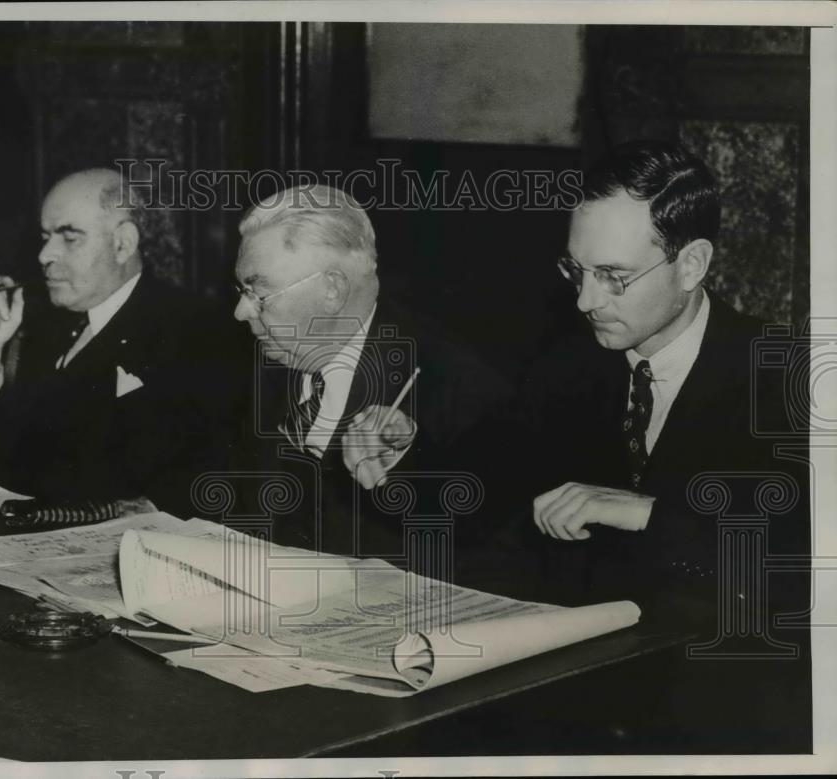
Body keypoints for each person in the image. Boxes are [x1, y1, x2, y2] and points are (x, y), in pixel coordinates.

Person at [498, 140, 809, 626]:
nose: (585, 301)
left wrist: (648, 514)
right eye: (576, 271)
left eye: (612, 275)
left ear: (691, 265)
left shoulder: (789, 377)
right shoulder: (565, 366)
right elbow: (500, 500)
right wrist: (405, 452)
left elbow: (800, 568)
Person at [153, 185, 509, 564]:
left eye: (259, 293)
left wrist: (402, 464)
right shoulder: (276, 357)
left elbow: (482, 541)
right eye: (241, 290)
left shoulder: (455, 382)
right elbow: (239, 495)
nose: (240, 312)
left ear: (332, 290)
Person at [0, 168, 237, 501]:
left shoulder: (194, 332)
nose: (44, 255)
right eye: (45, 237)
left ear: (122, 243)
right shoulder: (38, 324)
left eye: (70, 238)